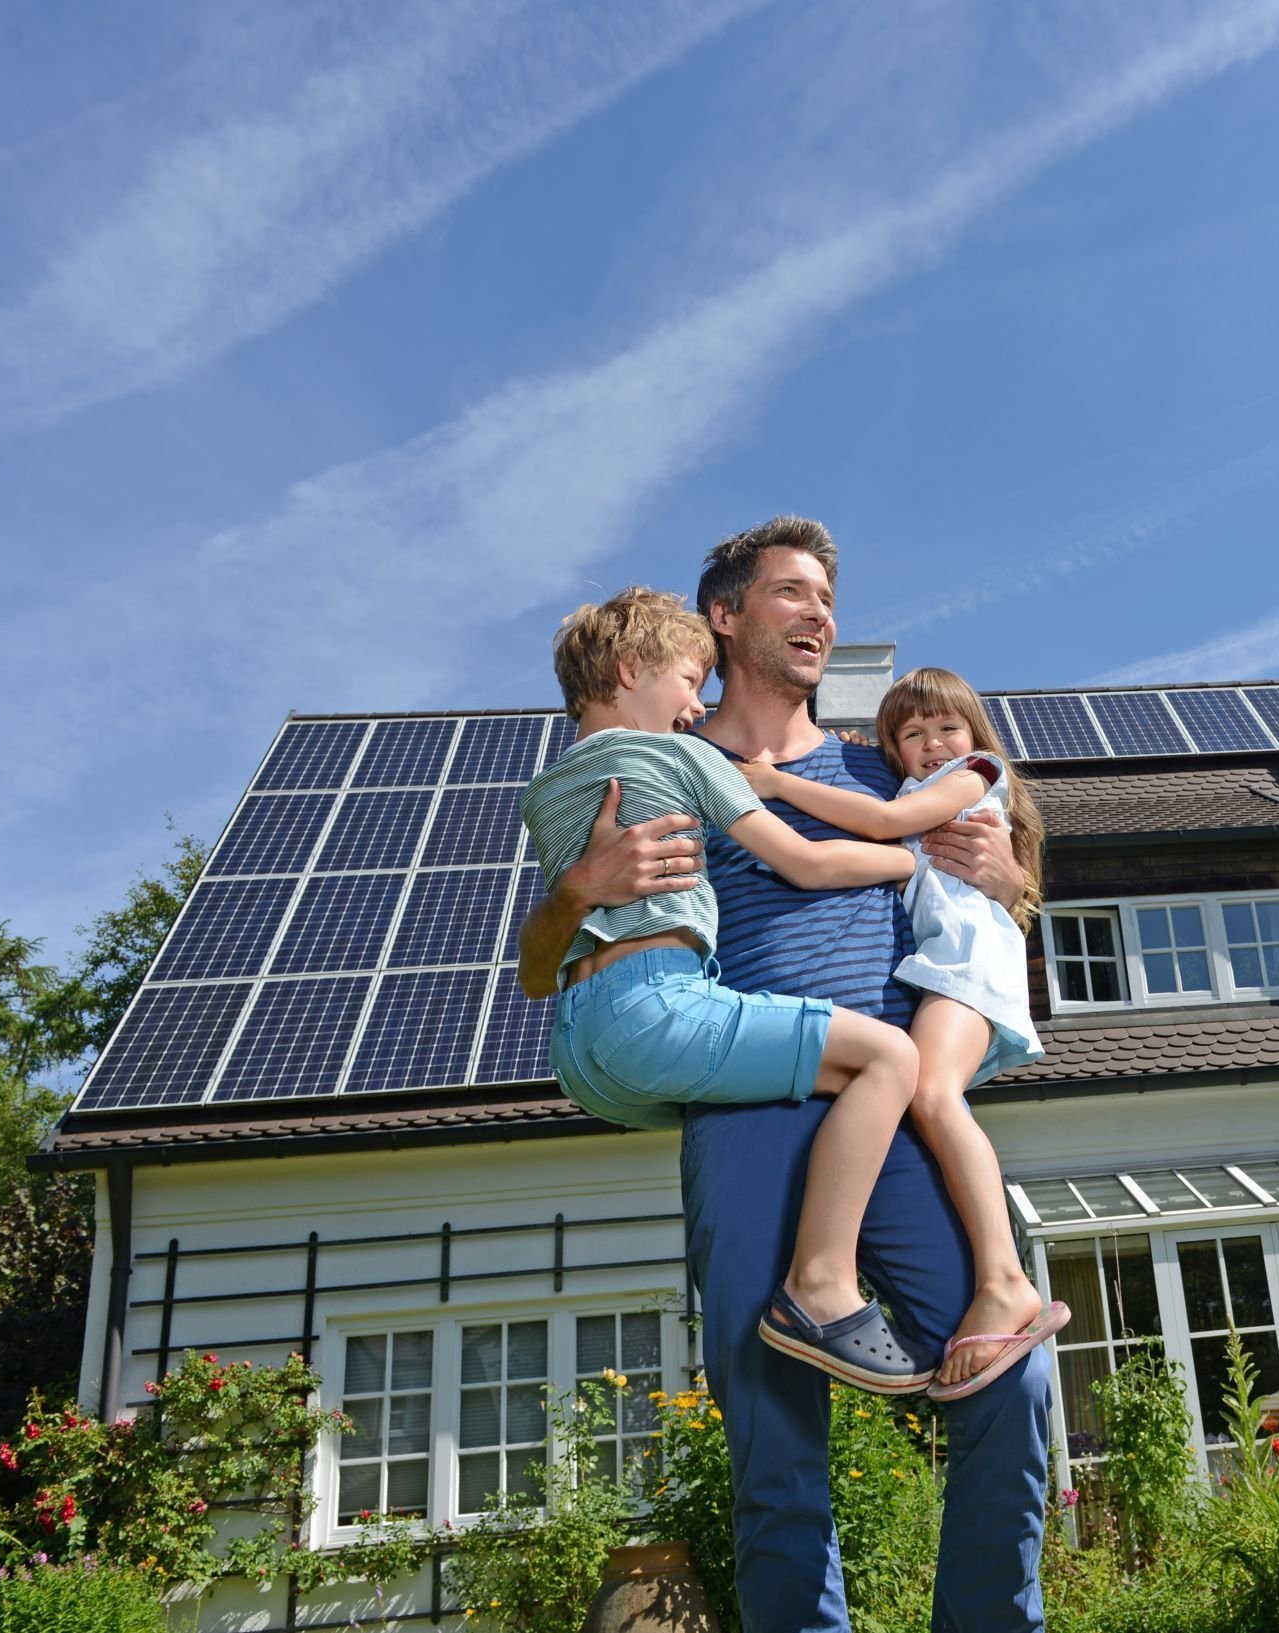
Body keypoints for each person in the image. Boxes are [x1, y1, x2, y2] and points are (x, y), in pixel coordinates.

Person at [519, 518, 1052, 1631]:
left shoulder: (880, 773)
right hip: (748, 1100)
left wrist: (1010, 875)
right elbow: (546, 961)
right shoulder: (660, 759)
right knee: (772, 1439)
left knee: (1010, 1372)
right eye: (793, 594)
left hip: (892, 1105)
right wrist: (580, 892)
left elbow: (986, 912)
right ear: (724, 616)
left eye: (828, 599)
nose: (821, 616)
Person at [524, 585, 984, 1392]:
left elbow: (538, 966)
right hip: (656, 1005)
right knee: (887, 1057)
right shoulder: (684, 756)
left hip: (583, 1045)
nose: (698, 705)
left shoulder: (551, 787)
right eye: (689, 682)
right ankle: (823, 1287)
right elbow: (805, 861)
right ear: (632, 670)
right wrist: (911, 861)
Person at [740, 665, 1055, 1398]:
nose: (932, 742)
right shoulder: (915, 799)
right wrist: (852, 756)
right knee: (926, 1095)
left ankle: (1006, 1280)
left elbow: (880, 825)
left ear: (976, 735)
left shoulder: (976, 775)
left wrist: (778, 784)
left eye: (947, 726)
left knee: (935, 1093)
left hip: (968, 966)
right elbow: (840, 857)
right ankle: (997, 1277)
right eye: (912, 734)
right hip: (945, 972)